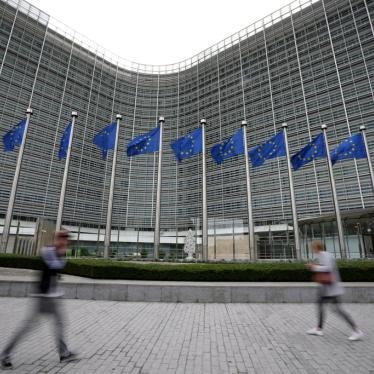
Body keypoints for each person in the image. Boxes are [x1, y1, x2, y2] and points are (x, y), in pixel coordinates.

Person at [1, 230, 76, 370]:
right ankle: (5, 354)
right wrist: (60, 252)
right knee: (27, 328)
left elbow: (60, 266)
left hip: (53, 297)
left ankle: (64, 353)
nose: (64, 243)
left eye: (66, 241)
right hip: (43, 298)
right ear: (57, 239)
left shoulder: (59, 253)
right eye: (62, 240)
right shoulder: (47, 251)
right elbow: (56, 265)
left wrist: (61, 253)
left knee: (59, 324)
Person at [305, 240, 363, 341]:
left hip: (331, 288)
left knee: (337, 309)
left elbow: (328, 268)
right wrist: (314, 266)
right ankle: (319, 328)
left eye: (312, 247)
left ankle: (356, 331)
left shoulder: (325, 255)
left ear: (316, 247)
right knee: (320, 305)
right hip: (325, 288)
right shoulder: (321, 255)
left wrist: (314, 267)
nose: (312, 249)